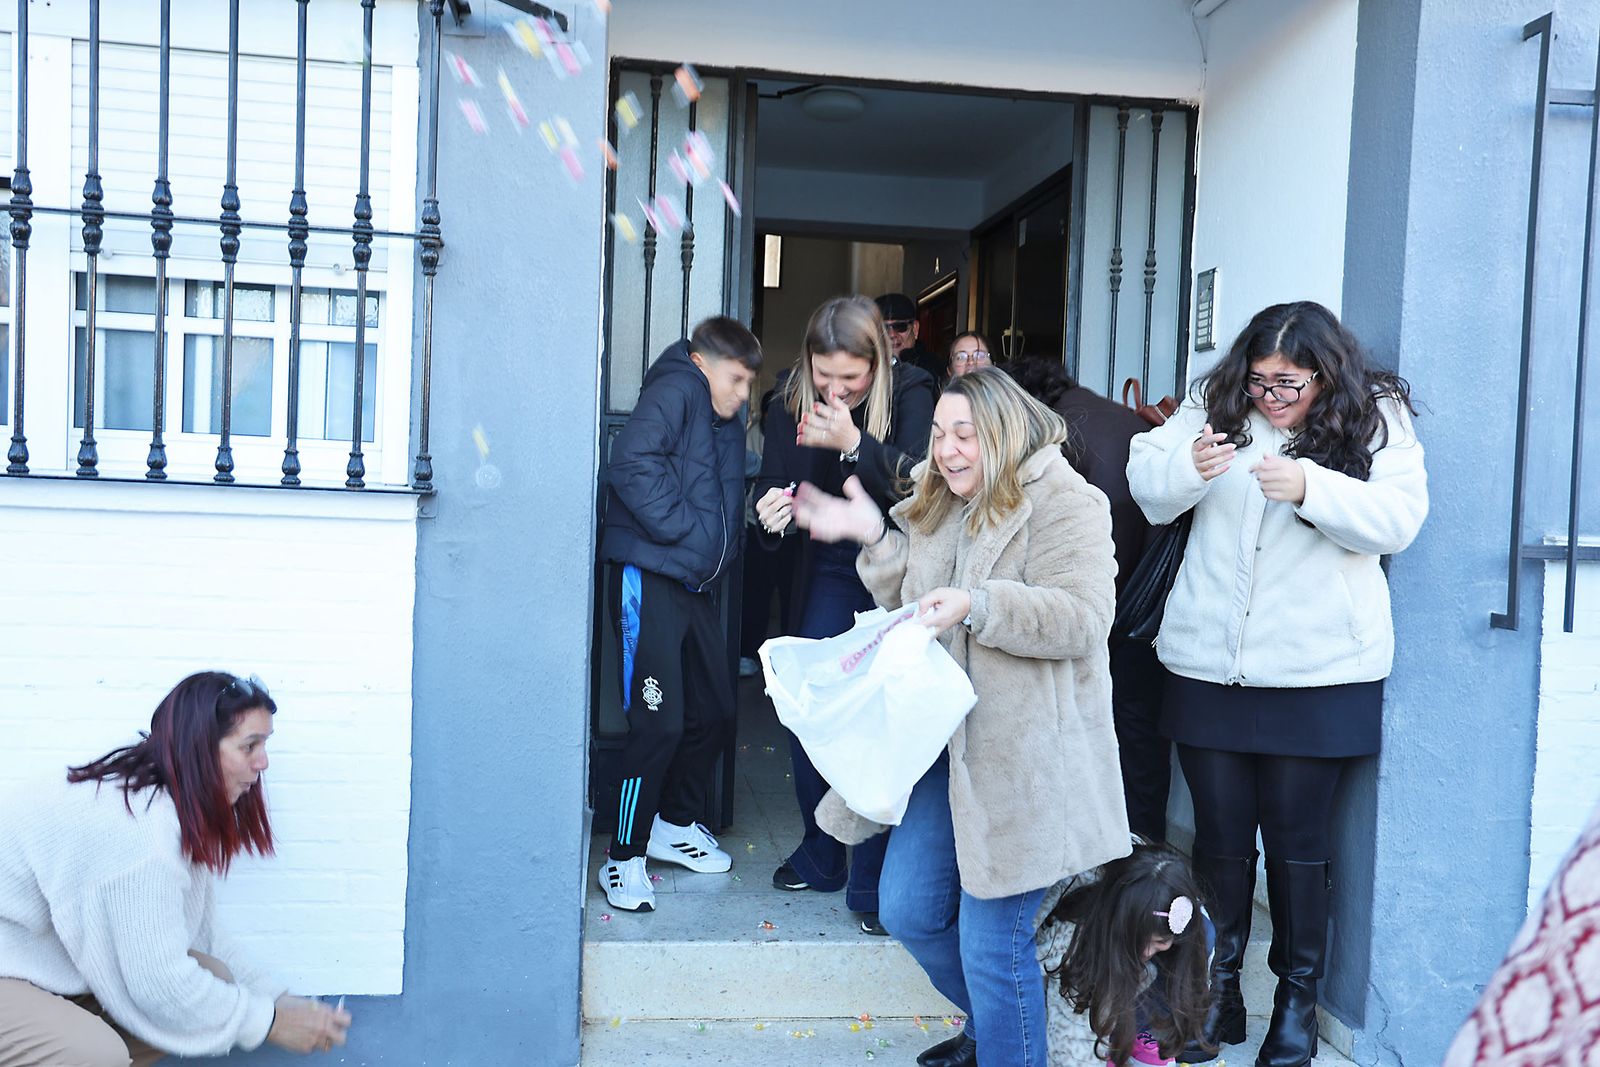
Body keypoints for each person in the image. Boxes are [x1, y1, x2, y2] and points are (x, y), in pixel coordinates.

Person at [793, 367, 1132, 1067]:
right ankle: (1005, 1022)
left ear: (1003, 432)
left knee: (992, 939)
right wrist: (875, 539)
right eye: (940, 433)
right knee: (908, 909)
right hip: (942, 746)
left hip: (1027, 764)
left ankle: (1007, 1038)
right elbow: (917, 602)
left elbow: (1085, 619)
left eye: (963, 434)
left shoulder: (1068, 500)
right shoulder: (942, 497)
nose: (945, 450)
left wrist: (981, 604)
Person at [1126, 301, 1428, 1067]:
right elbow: (1146, 482)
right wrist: (1185, 467)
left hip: (1317, 672)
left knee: (1300, 849)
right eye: (1260, 379)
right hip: (1206, 665)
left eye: (1288, 382)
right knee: (1220, 845)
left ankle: (1294, 1002)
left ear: (1326, 372)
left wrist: (1311, 488)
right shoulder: (1215, 399)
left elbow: (1398, 518)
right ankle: (1211, 993)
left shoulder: (1375, 414)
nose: (1270, 395)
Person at [0, 672, 352, 1066]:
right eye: (249, 745)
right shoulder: (137, 829)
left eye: (264, 744)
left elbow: (201, 936)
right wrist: (269, 1024)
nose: (263, 762)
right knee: (97, 1054)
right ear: (200, 749)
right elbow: (159, 983)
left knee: (212, 979)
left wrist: (279, 1002)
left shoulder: (168, 807)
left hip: (37, 970)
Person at [750, 295, 936, 936]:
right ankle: (823, 847)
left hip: (897, 563)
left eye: (850, 379)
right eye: (824, 377)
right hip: (828, 565)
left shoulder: (914, 391)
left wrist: (856, 442)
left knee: (885, 715)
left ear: (878, 362)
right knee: (814, 709)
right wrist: (768, 509)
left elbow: (920, 485)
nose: (835, 390)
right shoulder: (786, 402)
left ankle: (874, 877)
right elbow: (773, 480)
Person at [595, 315, 763, 914]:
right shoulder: (677, 388)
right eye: (737, 380)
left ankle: (673, 824)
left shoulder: (719, 411)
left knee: (716, 711)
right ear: (702, 362)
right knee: (658, 723)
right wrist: (691, 535)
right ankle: (623, 858)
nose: (743, 394)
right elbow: (632, 466)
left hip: (690, 583)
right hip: (651, 575)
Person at [1004, 355, 1169, 842]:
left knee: (1097, 731)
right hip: (1153, 602)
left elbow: (1099, 527)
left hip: (1111, 605)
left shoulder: (1059, 434)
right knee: (1140, 737)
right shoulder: (1110, 416)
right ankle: (1144, 856)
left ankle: (1108, 858)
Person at [1038, 842, 1213, 1067]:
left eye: (1160, 941)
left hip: (1119, 975)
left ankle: (1132, 1033)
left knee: (1203, 938)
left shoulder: (1193, 925)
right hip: (1072, 987)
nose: (1146, 952)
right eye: (1138, 941)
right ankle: (1108, 1035)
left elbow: (1191, 991)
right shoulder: (1076, 939)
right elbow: (1071, 1039)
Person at [875, 292, 944, 382]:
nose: (891, 334)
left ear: (915, 329)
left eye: (900, 326)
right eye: (883, 328)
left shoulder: (933, 369)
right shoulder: (864, 367)